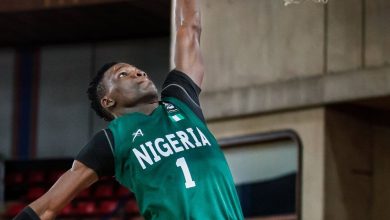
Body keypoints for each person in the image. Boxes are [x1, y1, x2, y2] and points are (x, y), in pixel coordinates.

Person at [14, 0, 244, 219]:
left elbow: (189, 27)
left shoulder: (181, 100)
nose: (138, 73)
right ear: (108, 101)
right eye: (123, 74)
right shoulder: (111, 140)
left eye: (138, 70)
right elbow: (46, 207)